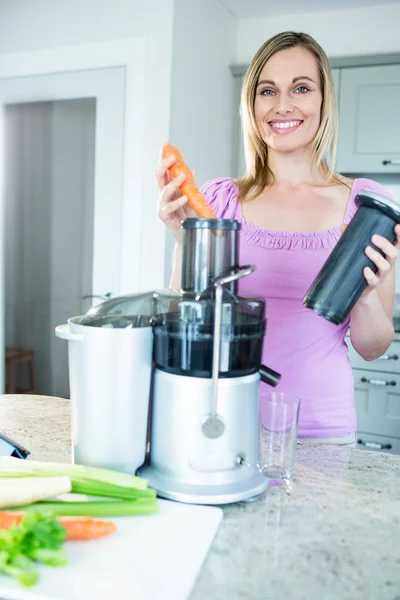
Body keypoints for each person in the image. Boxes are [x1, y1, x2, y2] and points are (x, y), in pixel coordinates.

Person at [155, 31, 400, 446]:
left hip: (323, 431)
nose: (282, 105)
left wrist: (361, 294)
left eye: (300, 88)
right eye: (268, 90)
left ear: (323, 100)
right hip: (224, 421)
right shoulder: (219, 199)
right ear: (252, 105)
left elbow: (373, 346)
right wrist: (184, 238)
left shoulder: (366, 207)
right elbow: (190, 313)